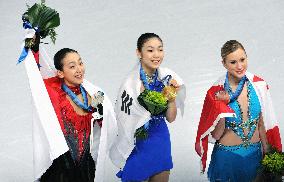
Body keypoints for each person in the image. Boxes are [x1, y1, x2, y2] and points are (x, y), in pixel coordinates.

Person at [24, 46, 116, 182]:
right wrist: (34, 44)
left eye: (80, 63)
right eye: (72, 66)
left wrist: (101, 115)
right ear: (60, 73)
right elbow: (35, 74)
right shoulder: (53, 92)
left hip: (85, 166)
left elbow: (106, 126)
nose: (79, 69)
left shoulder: (94, 93)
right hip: (61, 165)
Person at [195, 40, 282, 182]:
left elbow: (262, 123)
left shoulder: (258, 86)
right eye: (233, 62)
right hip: (228, 158)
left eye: (242, 59)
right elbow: (216, 135)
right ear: (224, 64)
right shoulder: (216, 91)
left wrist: (268, 153)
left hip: (255, 156)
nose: (240, 66)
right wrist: (220, 108)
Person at [110, 33, 186, 182]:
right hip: (137, 143)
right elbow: (123, 118)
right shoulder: (130, 84)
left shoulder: (167, 78)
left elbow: (171, 118)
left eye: (160, 49)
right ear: (139, 53)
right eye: (150, 50)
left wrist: (171, 98)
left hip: (160, 139)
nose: (156, 55)